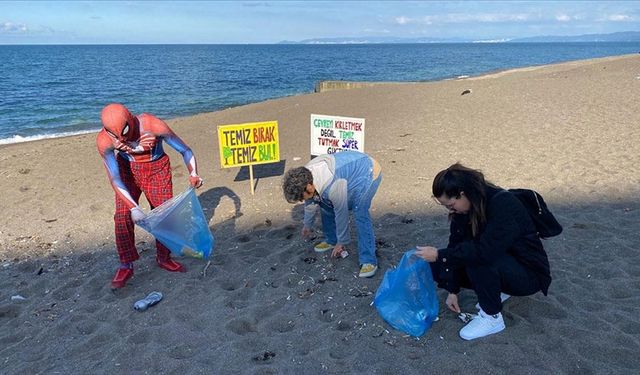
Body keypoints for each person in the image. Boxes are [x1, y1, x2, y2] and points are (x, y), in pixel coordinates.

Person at [415, 163, 551, 340]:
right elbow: (455, 246)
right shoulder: (464, 211)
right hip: (503, 261)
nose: (450, 210)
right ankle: (497, 289)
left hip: (529, 274)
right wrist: (452, 290)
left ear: (463, 193)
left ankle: (492, 317)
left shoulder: (502, 204)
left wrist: (440, 255)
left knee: (474, 258)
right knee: (437, 265)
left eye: (451, 205)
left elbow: (484, 251)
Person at [96, 103, 203, 289]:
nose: (123, 139)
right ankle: (126, 264)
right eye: (117, 136)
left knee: (164, 214)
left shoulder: (153, 126)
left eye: (126, 133)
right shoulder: (104, 141)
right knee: (122, 217)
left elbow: (185, 150)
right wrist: (133, 207)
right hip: (127, 171)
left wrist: (193, 173)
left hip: (157, 169)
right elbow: (114, 177)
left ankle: (163, 257)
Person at [283, 151, 382, 278]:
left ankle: (369, 260)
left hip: (369, 171)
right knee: (324, 203)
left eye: (301, 197)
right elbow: (311, 201)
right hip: (350, 170)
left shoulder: (332, 185)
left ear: (309, 186)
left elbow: (341, 213)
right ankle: (331, 240)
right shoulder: (305, 177)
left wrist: (342, 242)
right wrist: (307, 225)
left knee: (360, 211)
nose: (302, 201)